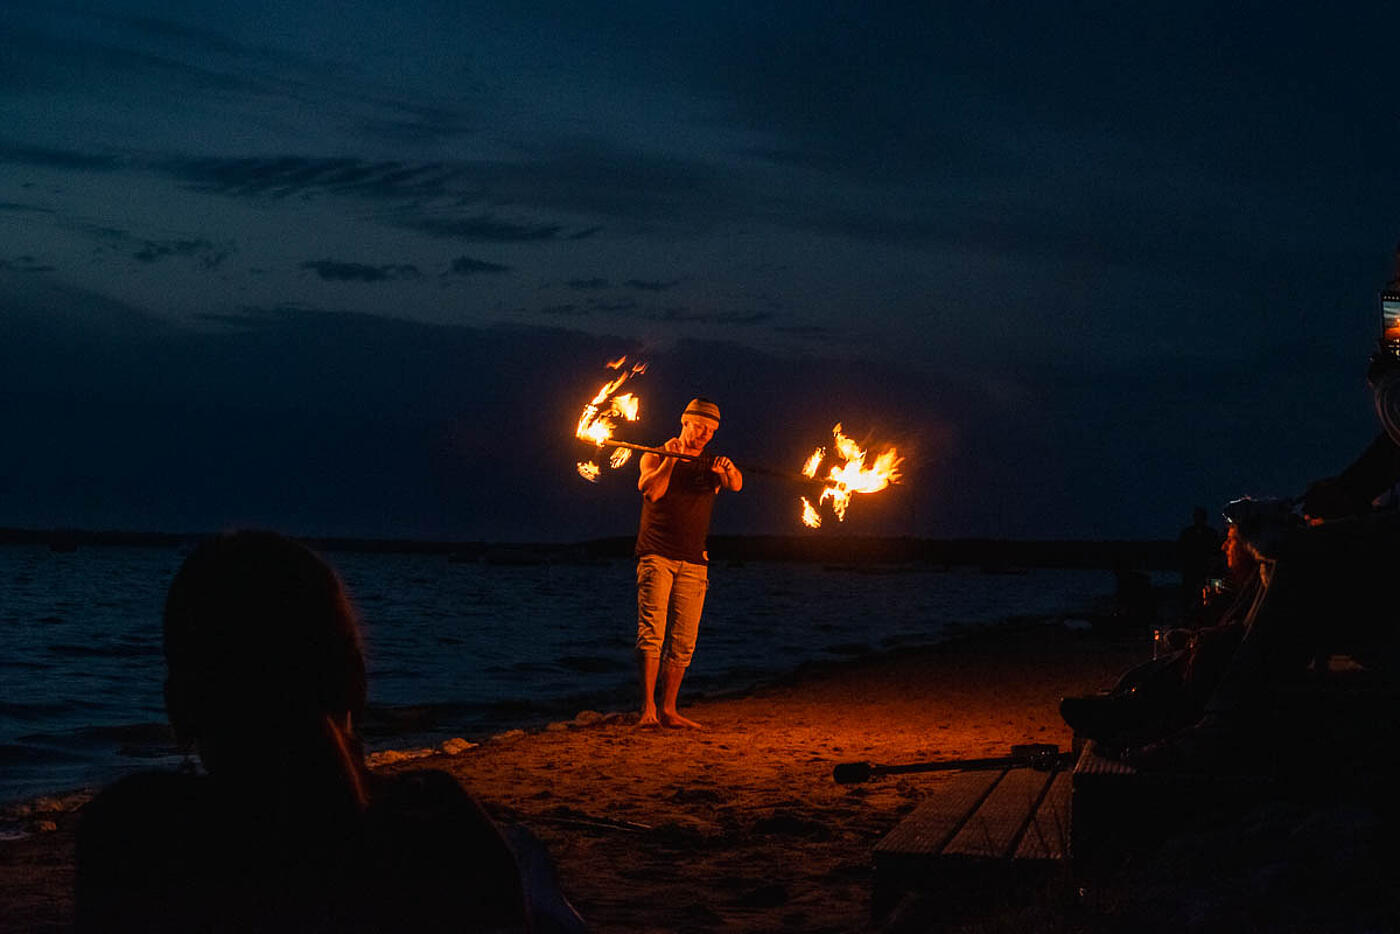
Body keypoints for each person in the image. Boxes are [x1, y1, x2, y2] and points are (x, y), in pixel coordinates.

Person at [76, 531, 581, 932]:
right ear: (356, 684)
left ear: (178, 708)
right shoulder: (443, 828)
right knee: (533, 879)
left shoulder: (132, 839)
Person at [633, 398, 742, 729]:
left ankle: (670, 708)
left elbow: (735, 484)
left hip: (695, 560)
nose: (705, 434)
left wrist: (728, 470)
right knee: (652, 632)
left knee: (684, 640)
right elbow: (651, 491)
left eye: (711, 430)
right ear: (684, 422)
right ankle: (648, 708)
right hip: (657, 555)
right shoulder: (654, 453)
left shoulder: (711, 463)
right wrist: (669, 460)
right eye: (700, 427)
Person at [1177, 506, 1224, 612]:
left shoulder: (1212, 533)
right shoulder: (1187, 533)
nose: (1199, 519)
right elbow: (1182, 551)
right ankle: (1188, 615)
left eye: (1201, 517)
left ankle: (1213, 612)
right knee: (1189, 596)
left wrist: (1213, 566)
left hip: (1209, 570)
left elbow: (1217, 552)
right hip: (1192, 571)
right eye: (1197, 517)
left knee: (1213, 594)